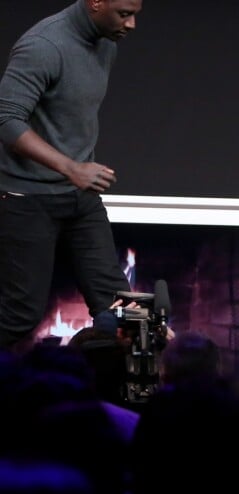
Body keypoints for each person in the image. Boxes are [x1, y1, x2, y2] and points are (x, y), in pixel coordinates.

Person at [0, 0, 143, 353]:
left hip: (79, 198)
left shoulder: (106, 42)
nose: (131, 24)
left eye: (135, 13)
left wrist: (77, 169)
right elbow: (6, 118)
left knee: (121, 307)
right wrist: (71, 167)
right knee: (20, 314)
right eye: (124, 13)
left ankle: (115, 402)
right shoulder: (44, 45)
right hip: (26, 197)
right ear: (96, 3)